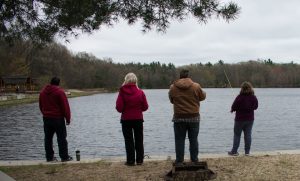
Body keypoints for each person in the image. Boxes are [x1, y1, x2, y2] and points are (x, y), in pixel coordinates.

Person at [168, 69, 206, 164]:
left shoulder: (173, 87)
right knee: (193, 139)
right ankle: (194, 159)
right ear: (188, 76)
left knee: (179, 140)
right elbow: (202, 97)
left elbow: (172, 100)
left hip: (178, 117)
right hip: (194, 117)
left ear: (180, 76)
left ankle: (179, 160)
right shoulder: (196, 86)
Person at [116, 73, 149, 166]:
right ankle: (139, 160)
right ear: (135, 81)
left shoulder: (122, 92)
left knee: (128, 140)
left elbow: (119, 108)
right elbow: (145, 107)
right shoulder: (140, 92)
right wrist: (138, 109)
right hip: (138, 119)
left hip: (126, 119)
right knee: (139, 139)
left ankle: (130, 161)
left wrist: (126, 109)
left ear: (126, 80)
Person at [39, 77, 73, 162]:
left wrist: (45, 114)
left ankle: (49, 157)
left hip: (46, 119)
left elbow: (41, 105)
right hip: (58, 119)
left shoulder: (42, 92)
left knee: (48, 139)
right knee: (61, 138)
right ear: (58, 83)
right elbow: (65, 107)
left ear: (50, 82)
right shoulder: (60, 92)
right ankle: (64, 157)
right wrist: (68, 119)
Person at [228, 81, 258, 156]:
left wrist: (232, 110)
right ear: (250, 88)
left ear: (242, 88)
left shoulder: (239, 97)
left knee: (237, 135)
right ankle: (247, 152)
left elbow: (234, 106)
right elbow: (256, 107)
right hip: (250, 119)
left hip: (239, 119)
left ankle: (234, 151)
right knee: (248, 135)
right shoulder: (253, 97)